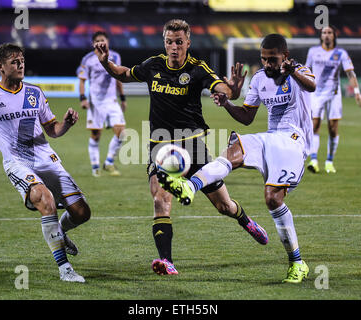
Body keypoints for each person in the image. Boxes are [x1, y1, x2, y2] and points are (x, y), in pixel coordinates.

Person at [94, 19, 268, 275]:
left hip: (193, 145)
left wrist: (232, 89)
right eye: (169, 42)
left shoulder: (197, 69)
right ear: (164, 43)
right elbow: (123, 73)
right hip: (160, 146)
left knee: (224, 206)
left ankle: (245, 220)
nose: (173, 47)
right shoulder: (153, 65)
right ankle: (167, 261)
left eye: (178, 42)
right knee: (160, 199)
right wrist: (104, 62)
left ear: (188, 43)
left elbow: (222, 89)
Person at [158, 34, 315, 283]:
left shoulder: (300, 70)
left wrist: (292, 70)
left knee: (273, 200)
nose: (267, 64)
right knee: (233, 151)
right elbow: (247, 117)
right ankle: (189, 186)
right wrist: (227, 103)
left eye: (272, 60)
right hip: (270, 137)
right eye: (263, 59)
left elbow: (311, 86)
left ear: (284, 56)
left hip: (293, 141)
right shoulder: (260, 79)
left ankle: (297, 262)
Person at [0, 43, 91, 282]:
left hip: (46, 159)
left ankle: (60, 232)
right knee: (46, 199)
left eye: (22, 60)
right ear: (0, 67)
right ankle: (65, 269)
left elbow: (52, 130)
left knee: (82, 212)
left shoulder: (34, 92)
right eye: (14, 61)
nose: (21, 64)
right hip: (17, 163)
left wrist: (66, 124)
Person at [306, 25, 361, 174]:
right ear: (321, 36)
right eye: (324, 32)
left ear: (334, 36)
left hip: (334, 94)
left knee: (333, 128)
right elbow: (306, 71)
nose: (327, 35)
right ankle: (314, 160)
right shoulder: (313, 52)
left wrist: (357, 92)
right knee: (314, 125)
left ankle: (329, 161)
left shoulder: (340, 53)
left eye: (330, 32)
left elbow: (350, 74)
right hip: (316, 94)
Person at [77, 31, 127, 177]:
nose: (100, 42)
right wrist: (83, 98)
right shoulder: (87, 59)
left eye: (102, 40)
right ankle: (95, 167)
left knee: (121, 133)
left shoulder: (115, 56)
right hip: (95, 102)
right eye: (97, 40)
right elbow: (82, 80)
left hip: (112, 101)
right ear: (93, 43)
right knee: (96, 135)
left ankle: (109, 162)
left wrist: (123, 98)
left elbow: (119, 77)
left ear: (107, 42)